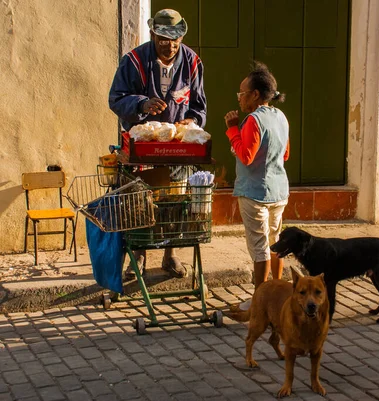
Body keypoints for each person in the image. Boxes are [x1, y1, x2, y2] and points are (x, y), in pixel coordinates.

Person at [108, 9, 207, 279]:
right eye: (163, 39)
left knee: (174, 201)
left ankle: (170, 254)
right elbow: (116, 99)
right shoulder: (133, 61)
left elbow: (199, 107)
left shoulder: (193, 62)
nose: (170, 45)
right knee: (141, 202)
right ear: (153, 34)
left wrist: (191, 121)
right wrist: (141, 103)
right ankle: (137, 256)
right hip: (142, 149)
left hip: (176, 150)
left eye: (176, 39)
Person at [224, 61, 290, 310]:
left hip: (255, 193)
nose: (239, 99)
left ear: (254, 95)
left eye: (242, 93)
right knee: (275, 242)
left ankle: (260, 301)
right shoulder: (280, 117)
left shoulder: (253, 120)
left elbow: (246, 156)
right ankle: (278, 292)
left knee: (260, 247)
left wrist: (232, 130)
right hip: (278, 191)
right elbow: (285, 155)